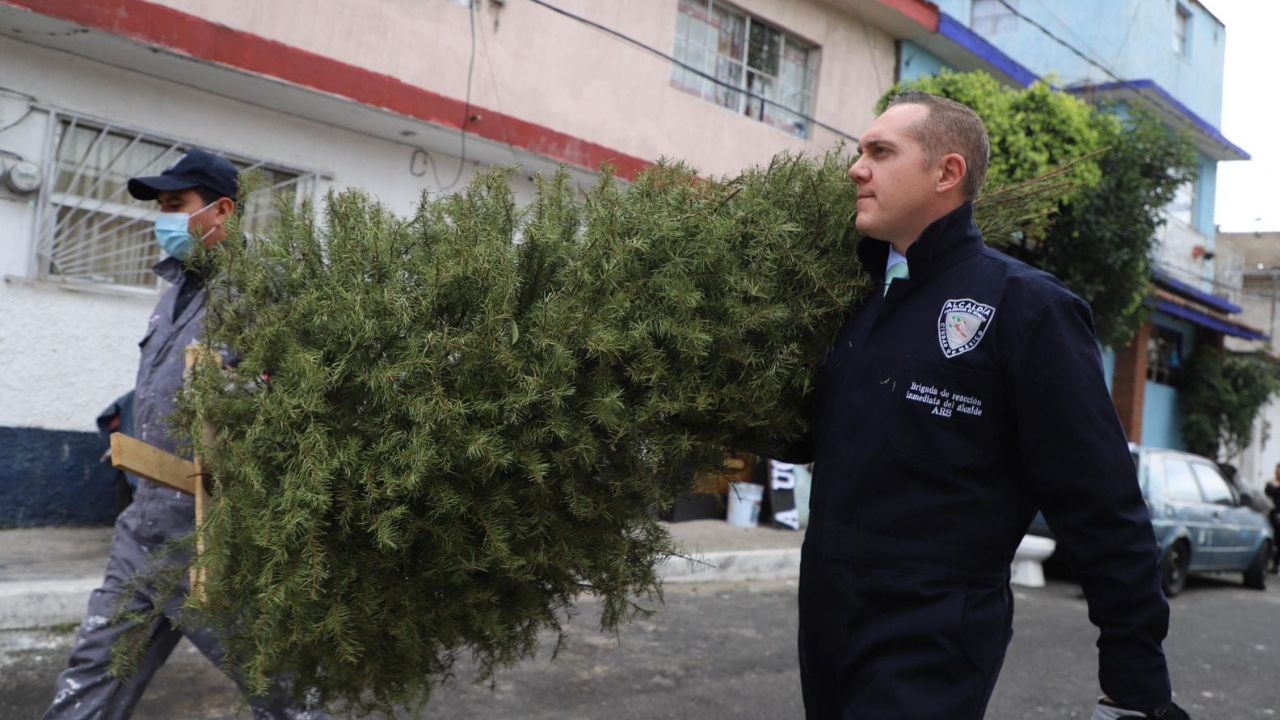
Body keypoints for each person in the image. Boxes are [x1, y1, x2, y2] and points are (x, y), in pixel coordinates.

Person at [780, 93, 1189, 719]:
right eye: (859, 152)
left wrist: (1136, 680)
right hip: (828, 622)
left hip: (933, 634)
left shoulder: (1029, 309)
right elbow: (826, 441)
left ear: (947, 173)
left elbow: (1101, 503)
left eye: (880, 152)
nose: (856, 169)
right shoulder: (859, 304)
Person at [44, 149, 324, 719]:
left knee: (285, 694)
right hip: (144, 529)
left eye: (176, 205)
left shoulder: (264, 292)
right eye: (161, 207)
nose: (163, 219)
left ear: (222, 210)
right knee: (91, 678)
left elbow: (298, 402)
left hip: (216, 539)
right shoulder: (173, 292)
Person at [1265, 464, 1280, 574]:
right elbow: (1268, 492)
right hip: (1271, 513)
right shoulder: (1270, 484)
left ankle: (1275, 564)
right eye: (1277, 469)